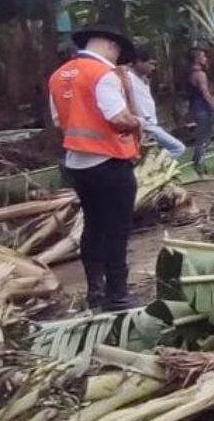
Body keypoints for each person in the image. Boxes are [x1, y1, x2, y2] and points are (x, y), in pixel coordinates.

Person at [48, 24, 142, 311]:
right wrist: (137, 122)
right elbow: (117, 117)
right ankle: (118, 294)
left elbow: (56, 121)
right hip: (108, 161)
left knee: (94, 226)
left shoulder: (59, 75)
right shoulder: (102, 74)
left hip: (77, 163)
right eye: (118, 54)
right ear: (111, 46)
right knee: (117, 229)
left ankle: (95, 291)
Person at [127, 48, 185, 159]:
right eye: (150, 64)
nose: (153, 68)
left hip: (149, 122)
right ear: (139, 62)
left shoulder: (142, 79)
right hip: (143, 123)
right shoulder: (127, 78)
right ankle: (153, 167)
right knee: (178, 148)